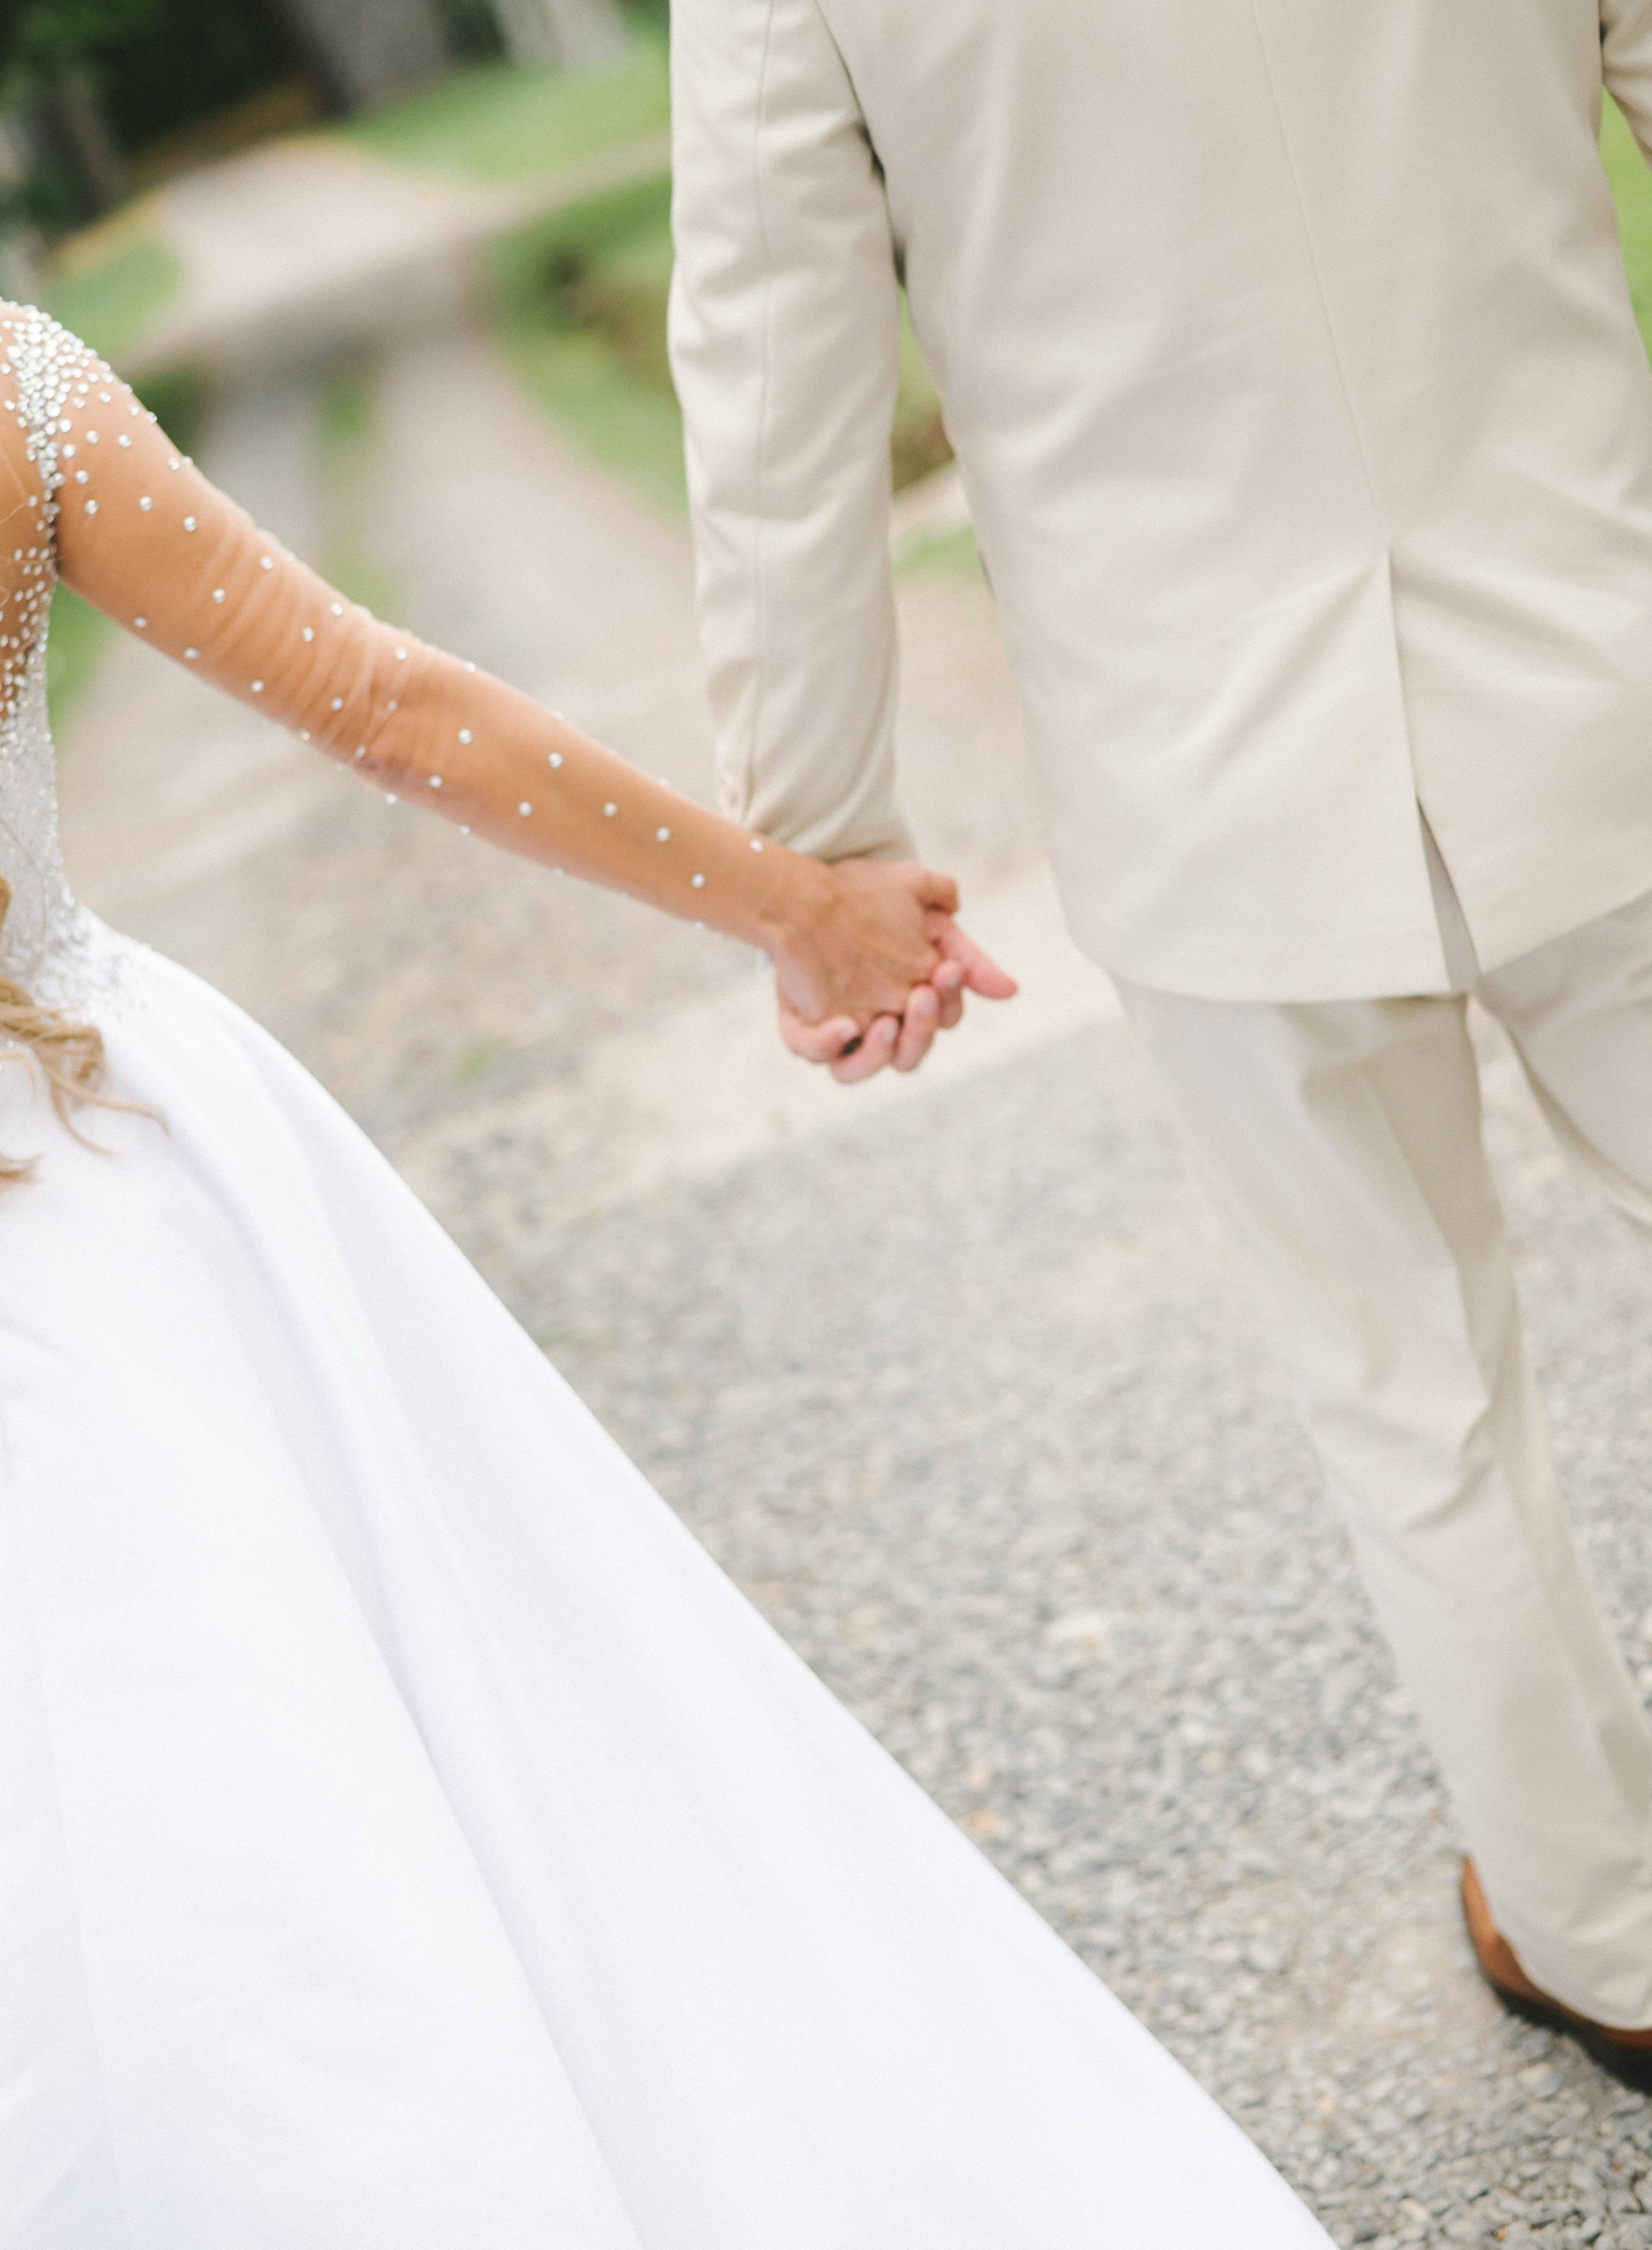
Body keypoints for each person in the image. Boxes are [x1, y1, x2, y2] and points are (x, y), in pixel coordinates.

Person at [0, 303, 1333, 2244]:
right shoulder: (14, 388)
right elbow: (390, 708)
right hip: (110, 1180)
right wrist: (803, 910)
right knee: (345, 1790)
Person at [655, 0, 1652, 2087]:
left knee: (1407, 1383)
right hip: (1596, 661)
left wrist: (825, 852)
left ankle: (1605, 1929)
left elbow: (775, 369)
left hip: (1207, 776)